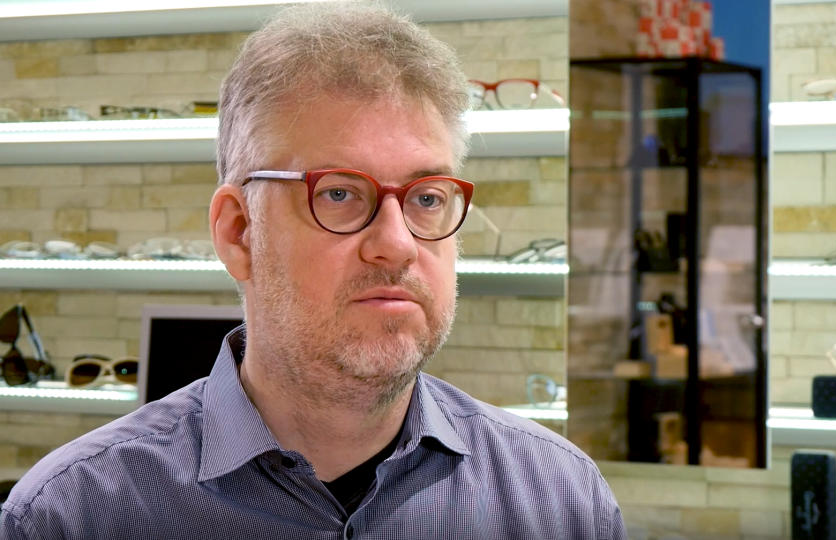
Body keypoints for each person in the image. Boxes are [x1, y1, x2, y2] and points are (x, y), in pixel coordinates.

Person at [0, 3, 627, 539]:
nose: (398, 244)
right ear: (238, 232)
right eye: (339, 194)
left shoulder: (564, 502)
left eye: (427, 198)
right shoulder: (71, 514)